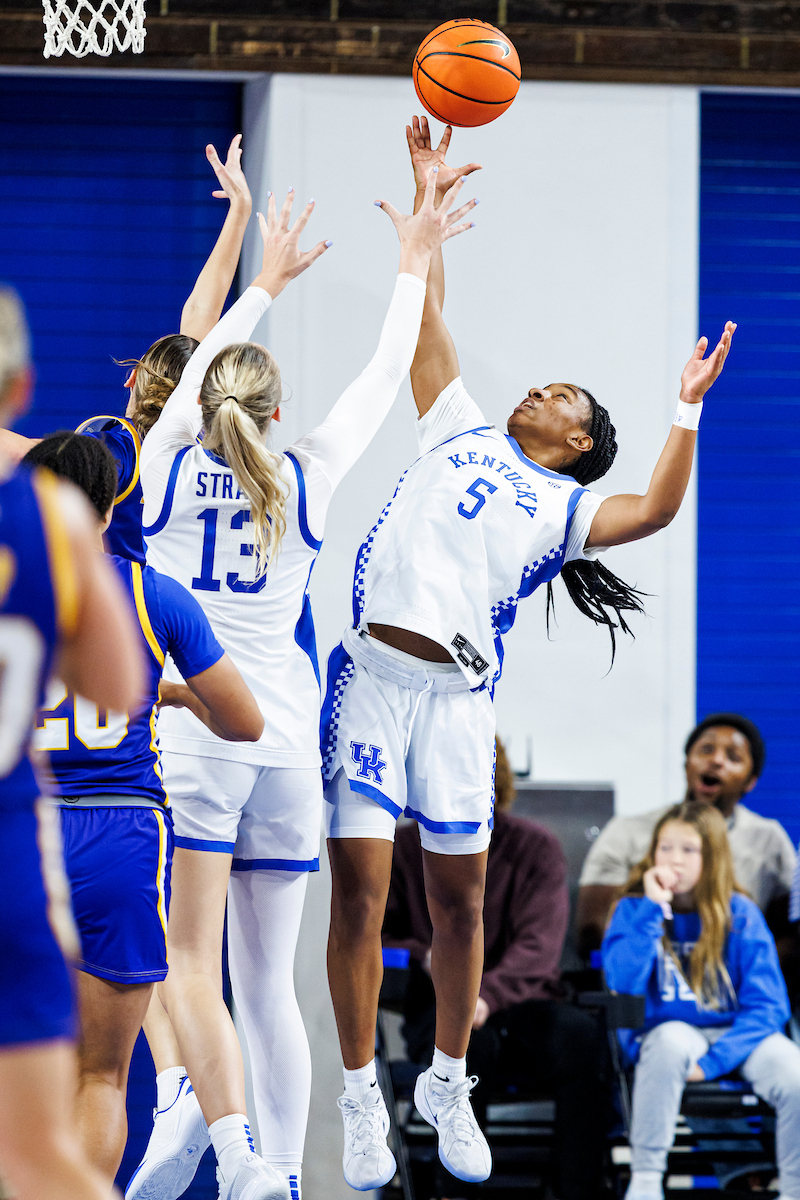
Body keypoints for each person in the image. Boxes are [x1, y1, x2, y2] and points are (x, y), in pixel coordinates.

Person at [322, 114, 735, 1192]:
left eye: (558, 394)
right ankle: (359, 1095)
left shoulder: (568, 508)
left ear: (578, 439)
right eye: (539, 384)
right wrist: (425, 207)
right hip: (370, 680)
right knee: (359, 895)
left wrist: (684, 411)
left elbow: (653, 511)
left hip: (458, 703)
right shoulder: (456, 423)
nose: (535, 392)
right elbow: (428, 318)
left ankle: (447, 1081)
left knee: (459, 905)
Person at [131, 169, 475, 1200]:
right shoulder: (307, 475)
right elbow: (384, 370)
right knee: (269, 983)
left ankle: (204, 1118)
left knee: (184, 963)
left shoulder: (156, 465)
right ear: (278, 410)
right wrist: (413, 255)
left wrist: (265, 280)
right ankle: (279, 1177)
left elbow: (194, 368)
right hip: (284, 750)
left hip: (197, 739)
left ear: (195, 401)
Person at [25, 430, 262, 1184]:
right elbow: (245, 723)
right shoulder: (150, 594)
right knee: (101, 1075)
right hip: (119, 832)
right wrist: (175, 693)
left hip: (23, 830)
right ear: (108, 510)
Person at [0, 288, 144, 1199]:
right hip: (23, 846)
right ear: (22, 388)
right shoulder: (54, 523)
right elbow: (119, 689)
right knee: (39, 1152)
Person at [0, 134, 252, 564]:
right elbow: (200, 315)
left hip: (128, 599)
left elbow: (24, 452)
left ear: (132, 377)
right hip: (181, 598)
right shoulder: (198, 448)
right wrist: (240, 213)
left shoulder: (122, 448)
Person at [383, 739, 609, 1200]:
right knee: (467, 1045)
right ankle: (454, 1192)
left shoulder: (535, 847)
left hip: (525, 1000)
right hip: (437, 1003)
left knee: (582, 1038)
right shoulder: (401, 849)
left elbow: (540, 944)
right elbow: (374, 937)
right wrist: (425, 955)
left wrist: (485, 997)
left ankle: (578, 1190)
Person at [603, 802, 800, 1200]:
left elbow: (768, 1007)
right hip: (670, 1034)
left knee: (794, 1073)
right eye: (665, 848)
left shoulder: (741, 914)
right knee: (669, 1040)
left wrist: (713, 1062)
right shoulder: (634, 909)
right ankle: (646, 1182)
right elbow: (621, 983)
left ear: (713, 858)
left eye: (688, 850)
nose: (674, 859)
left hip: (739, 1035)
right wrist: (652, 910)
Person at [577, 714, 797, 958]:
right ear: (686, 764)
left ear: (751, 781)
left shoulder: (768, 841)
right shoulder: (627, 831)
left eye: (733, 757)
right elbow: (596, 932)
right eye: (706, 749)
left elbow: (789, 936)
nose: (716, 760)